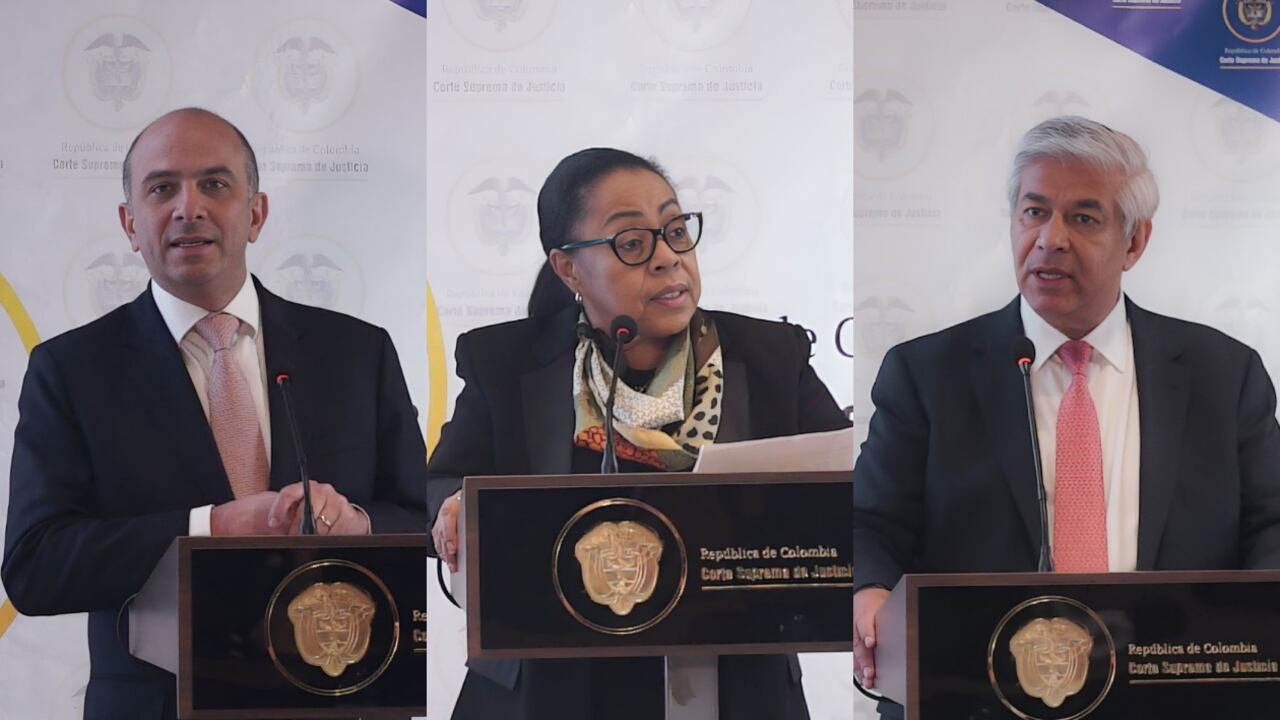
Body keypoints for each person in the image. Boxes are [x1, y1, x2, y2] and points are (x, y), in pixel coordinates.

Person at [2, 108, 429, 720]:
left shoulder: (356, 352)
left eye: (215, 184)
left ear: (255, 214)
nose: (188, 208)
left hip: (341, 696)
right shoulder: (72, 370)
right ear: (129, 224)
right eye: (161, 188)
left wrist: (355, 521)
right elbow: (35, 567)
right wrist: (212, 527)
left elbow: (425, 521)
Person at [852, 115, 1280, 717]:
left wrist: (1253, 633)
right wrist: (869, 590)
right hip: (978, 696)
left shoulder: (1222, 375)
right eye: (1034, 212)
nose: (1051, 239)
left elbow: (1272, 524)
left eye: (1083, 218)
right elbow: (871, 523)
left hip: (1176, 696)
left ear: (1134, 241)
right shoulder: (927, 374)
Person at [427, 147, 850, 720]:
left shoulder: (770, 356)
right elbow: (444, 480)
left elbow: (851, 485)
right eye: (632, 243)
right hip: (550, 687)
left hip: (732, 684)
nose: (668, 259)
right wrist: (454, 504)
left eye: (676, 230)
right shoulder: (505, 362)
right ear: (569, 268)